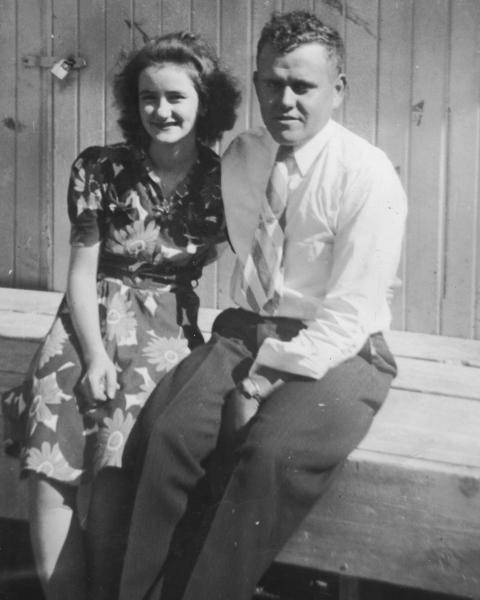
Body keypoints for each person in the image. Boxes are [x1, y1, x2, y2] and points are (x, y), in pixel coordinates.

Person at [118, 10, 407, 600]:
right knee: (164, 434)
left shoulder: (366, 174)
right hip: (245, 330)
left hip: (340, 349)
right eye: (272, 84)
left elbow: (349, 317)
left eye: (303, 86)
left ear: (337, 90)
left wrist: (258, 383)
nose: (286, 101)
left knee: (272, 455)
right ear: (255, 83)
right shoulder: (242, 155)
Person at [1, 31, 239, 600]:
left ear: (205, 102)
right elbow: (82, 271)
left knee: (118, 467)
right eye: (148, 97)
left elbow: (230, 254)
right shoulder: (100, 168)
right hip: (89, 314)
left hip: (166, 324)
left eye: (176, 97)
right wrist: (94, 354)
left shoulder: (223, 181)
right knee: (50, 455)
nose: (161, 110)